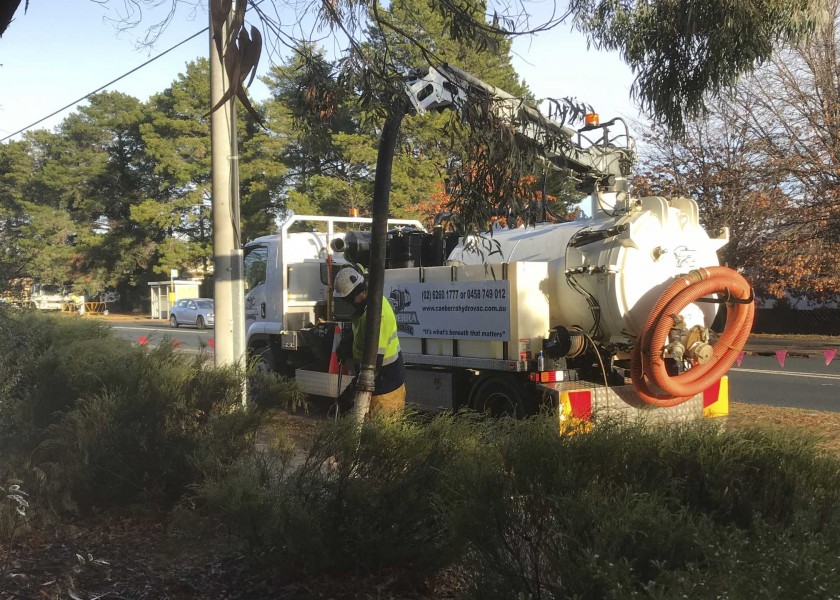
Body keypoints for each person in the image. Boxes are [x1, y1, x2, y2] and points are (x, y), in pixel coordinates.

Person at [333, 266, 406, 415]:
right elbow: (362, 333)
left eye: (348, 299)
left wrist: (348, 396)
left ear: (359, 293)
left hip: (385, 392)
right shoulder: (366, 308)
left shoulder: (375, 315)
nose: (348, 303)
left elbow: (372, 369)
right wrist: (349, 342)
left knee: (380, 437)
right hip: (379, 389)